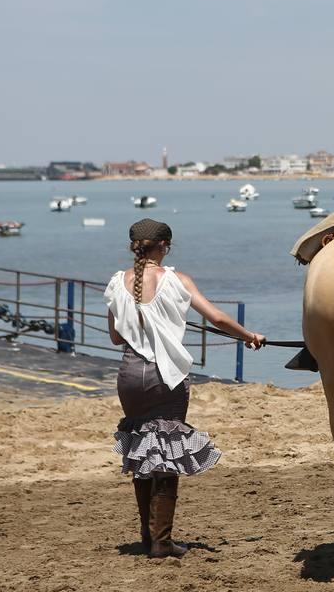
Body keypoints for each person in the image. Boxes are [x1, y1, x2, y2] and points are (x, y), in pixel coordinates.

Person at [105, 218, 265, 558]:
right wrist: (249, 336)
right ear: (165, 245)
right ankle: (161, 541)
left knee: (141, 449)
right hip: (166, 378)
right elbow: (217, 318)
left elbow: (116, 336)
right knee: (166, 454)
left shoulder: (117, 282)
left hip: (130, 375)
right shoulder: (176, 280)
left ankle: (148, 537)